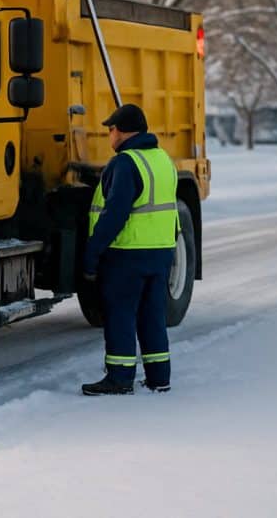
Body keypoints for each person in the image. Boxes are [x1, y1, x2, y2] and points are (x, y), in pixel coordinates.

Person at [81, 103, 179, 396]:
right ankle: (159, 377)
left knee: (121, 314)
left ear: (120, 131)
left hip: (128, 254)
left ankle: (120, 379)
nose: (109, 136)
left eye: (110, 129)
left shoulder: (125, 163)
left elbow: (115, 215)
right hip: (161, 251)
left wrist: (92, 254)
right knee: (152, 316)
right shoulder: (163, 159)